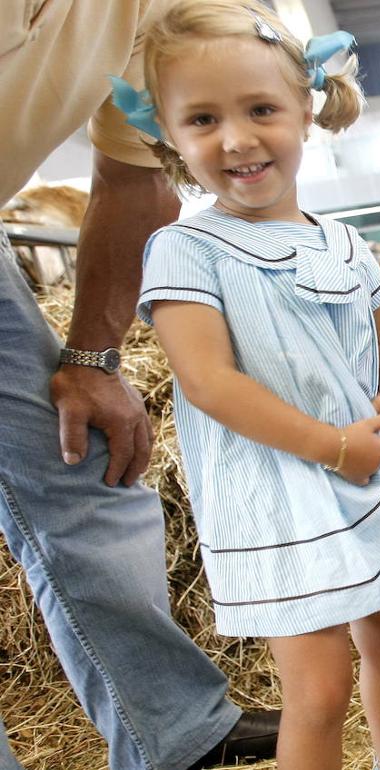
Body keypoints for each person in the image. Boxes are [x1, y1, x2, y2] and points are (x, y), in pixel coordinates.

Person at [120, 3, 380, 768]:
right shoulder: (185, 249)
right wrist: (332, 445)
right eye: (202, 119)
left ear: (307, 110)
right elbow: (208, 381)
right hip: (277, 496)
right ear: (168, 135)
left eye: (261, 109)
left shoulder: (344, 243)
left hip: (363, 473)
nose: (236, 139)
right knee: (319, 691)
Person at [0, 2, 281, 768]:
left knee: (75, 466)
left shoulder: (160, 10)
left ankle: (177, 732)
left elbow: (135, 179)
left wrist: (93, 360)